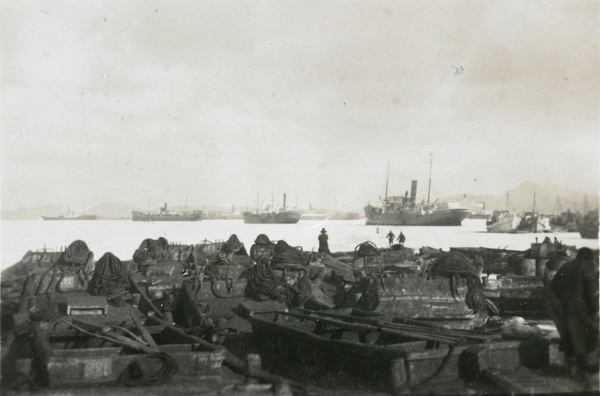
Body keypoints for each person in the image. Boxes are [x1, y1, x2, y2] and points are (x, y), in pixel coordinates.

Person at [550, 247, 599, 386]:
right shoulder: (587, 268)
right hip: (581, 311)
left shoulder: (566, 266)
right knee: (583, 339)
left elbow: (554, 286)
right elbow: (592, 293)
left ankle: (570, 368)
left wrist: (565, 299)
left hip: (565, 308)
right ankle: (582, 375)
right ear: (590, 258)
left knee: (568, 336)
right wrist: (594, 311)